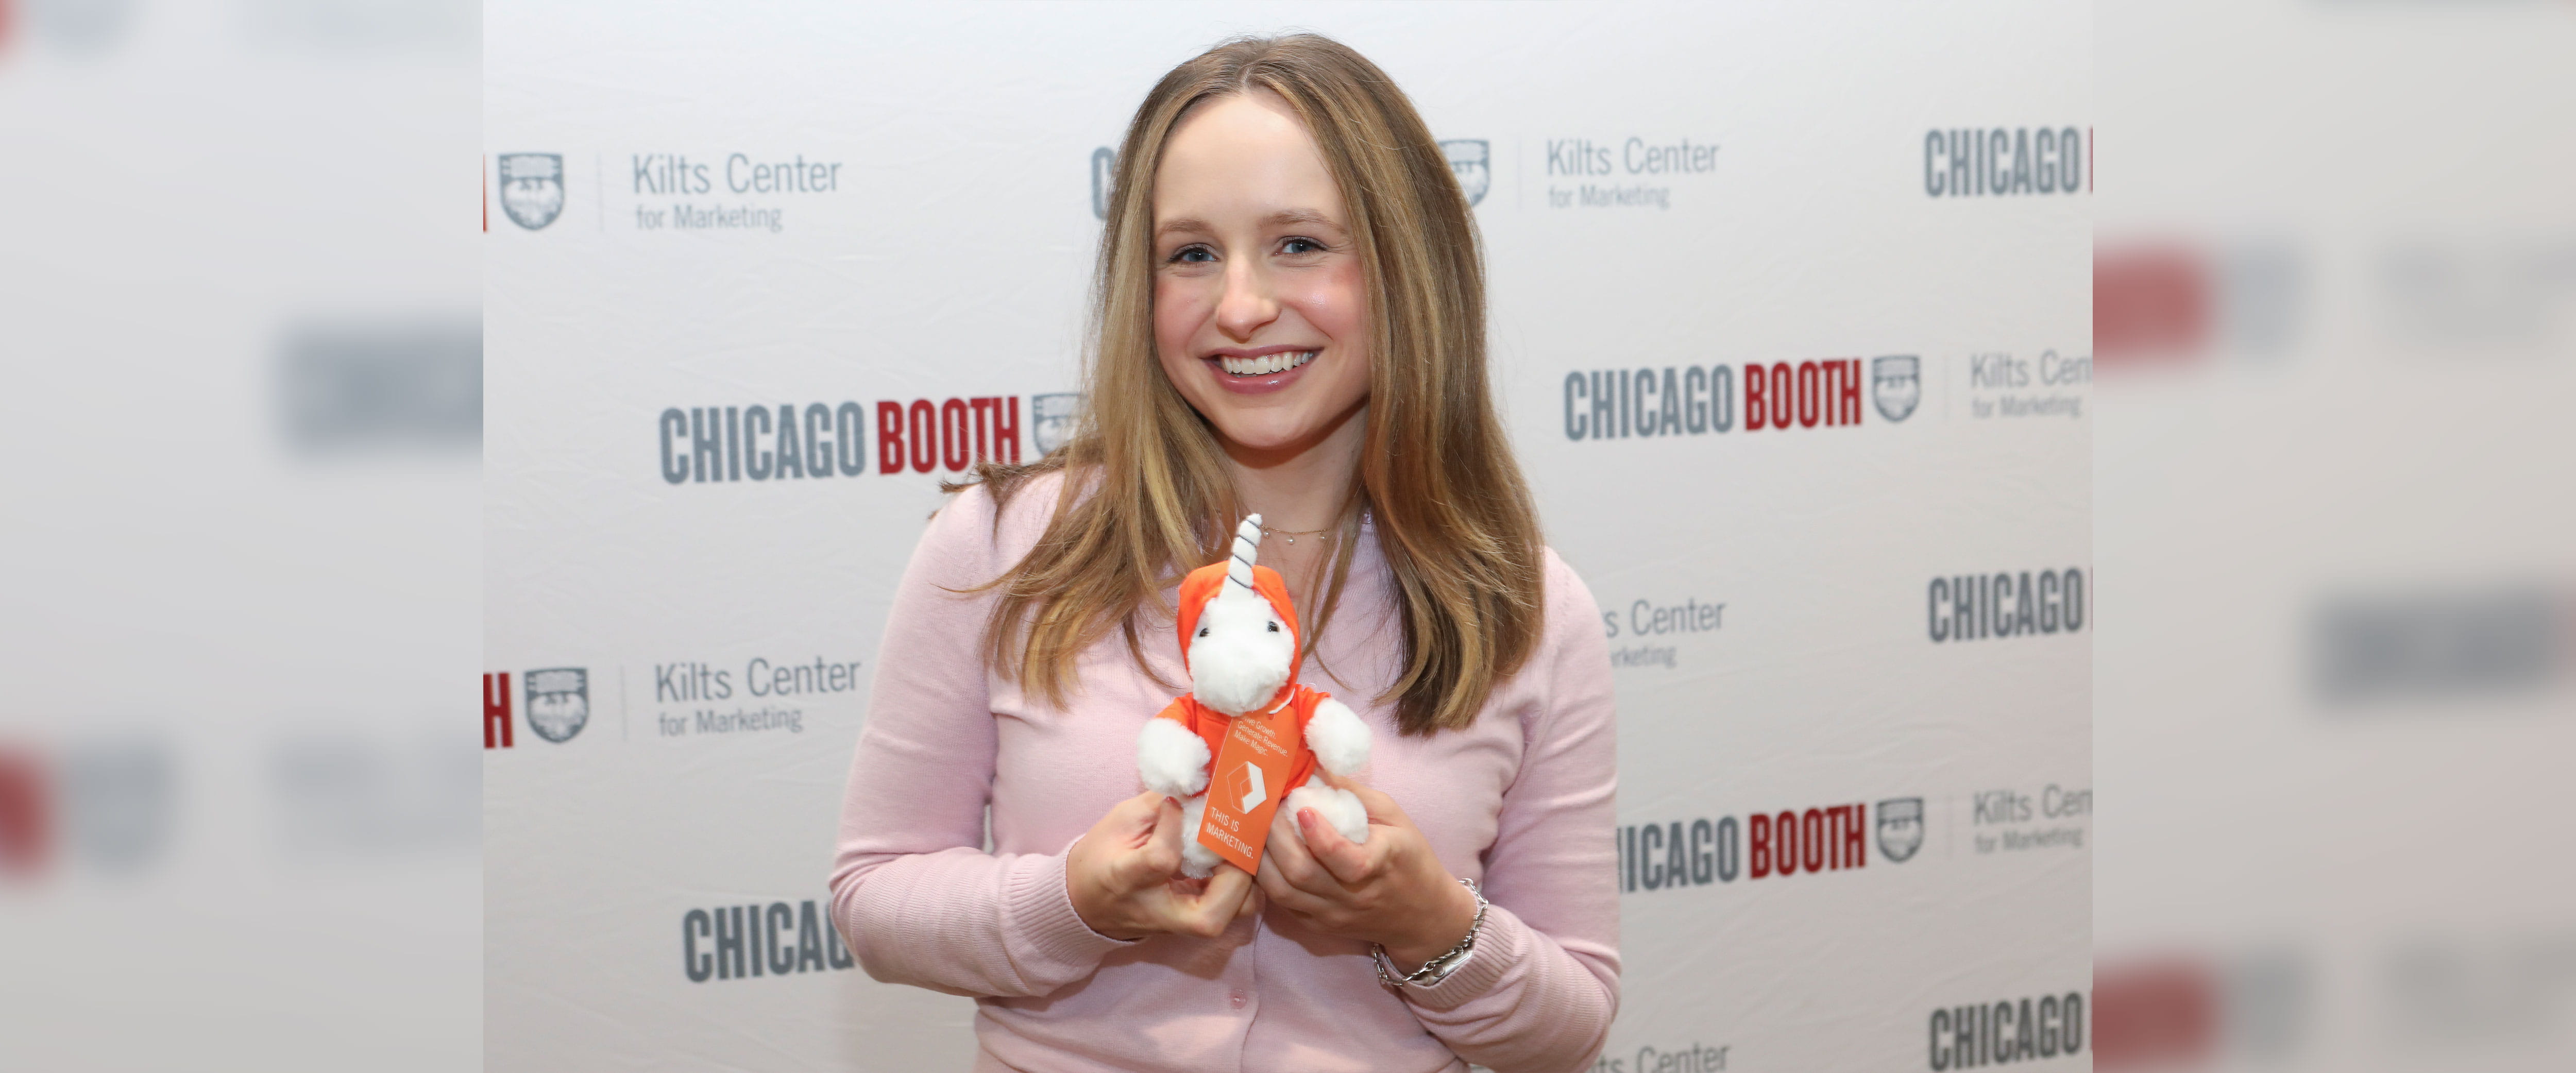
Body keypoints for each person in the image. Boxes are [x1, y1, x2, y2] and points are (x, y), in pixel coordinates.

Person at [830, 33, 1617, 1073]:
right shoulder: (1003, 545)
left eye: (1299, 244)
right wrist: (1077, 901)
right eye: (1191, 254)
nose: (1240, 306)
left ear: (1405, 267)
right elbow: (875, 894)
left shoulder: (1526, 608)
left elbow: (1568, 1022)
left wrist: (1427, 922)